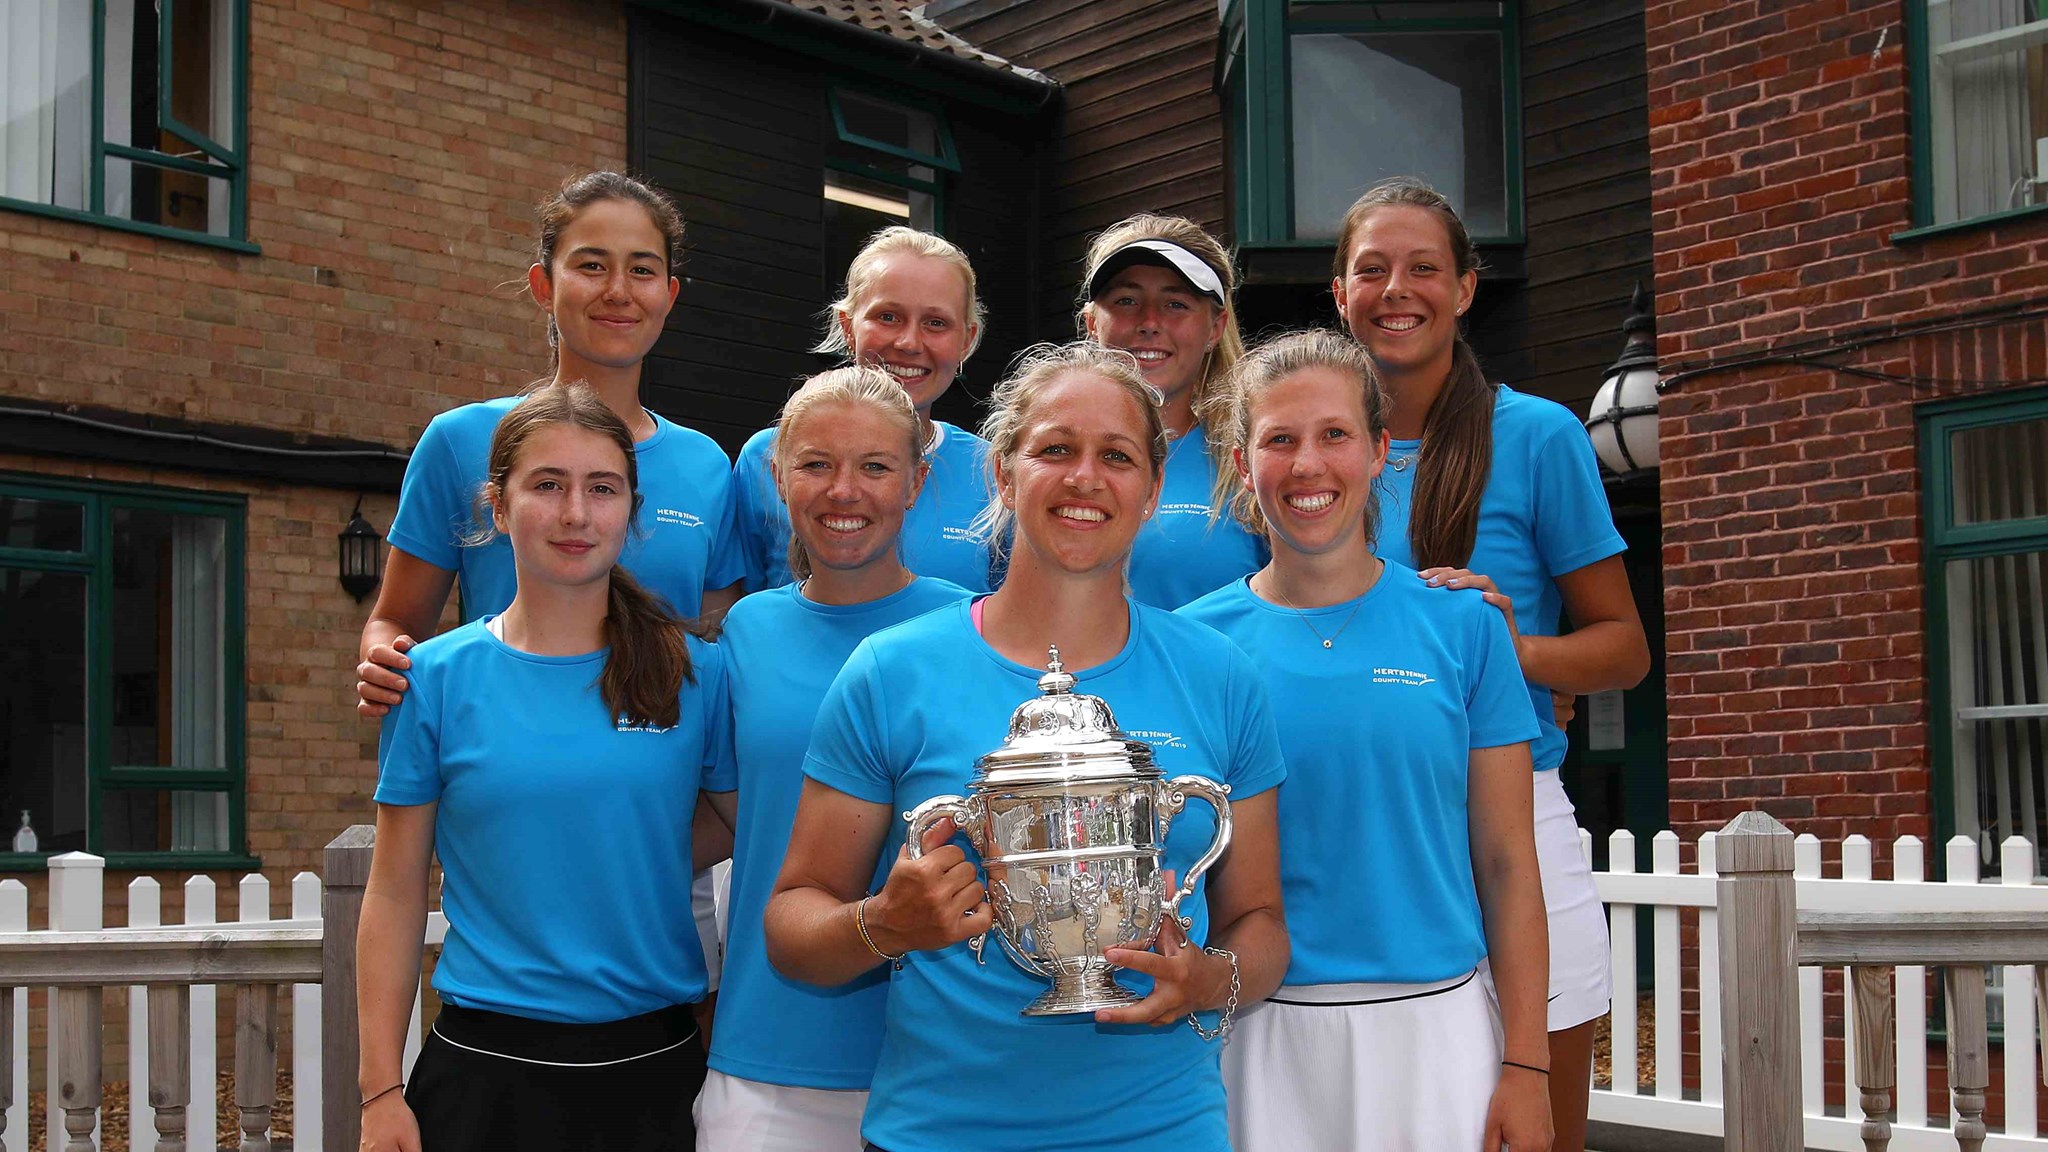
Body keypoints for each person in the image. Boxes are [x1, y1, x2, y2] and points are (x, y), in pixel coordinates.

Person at [763, 342, 1289, 1152]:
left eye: (1117, 456)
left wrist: (1210, 978)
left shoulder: (1220, 676)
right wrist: (884, 924)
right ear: (1003, 474)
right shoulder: (892, 671)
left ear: (1152, 489)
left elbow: (1262, 923)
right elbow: (792, 925)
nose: (1085, 478)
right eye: (1055, 449)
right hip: (939, 1134)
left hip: (1164, 1131)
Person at [1331, 177, 1652, 1152]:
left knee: (1533, 1124)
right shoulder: (1311, 452)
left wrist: (1510, 656)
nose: (1397, 289)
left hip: (1512, 812)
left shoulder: (1539, 435)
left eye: (1423, 267)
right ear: (1338, 293)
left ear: (1466, 287)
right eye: (1372, 269)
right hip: (1356, 817)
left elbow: (1622, 648)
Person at [1183, 329, 1550, 1152]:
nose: (1308, 465)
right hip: (1255, 1037)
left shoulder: (1463, 627)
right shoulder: (1192, 645)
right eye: (1280, 439)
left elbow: (1506, 862)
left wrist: (1527, 1065)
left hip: (1438, 1035)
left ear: (1381, 450)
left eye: (1335, 435)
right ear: (1243, 464)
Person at [357, 383, 736, 1152]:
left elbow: (739, 824)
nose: (576, 514)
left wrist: (613, 848)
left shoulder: (695, 674)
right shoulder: (431, 679)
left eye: (602, 489)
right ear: (497, 507)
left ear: (632, 512)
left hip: (652, 1072)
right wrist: (379, 1090)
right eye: (548, 485)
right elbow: (394, 891)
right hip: (481, 1073)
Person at [699, 366, 972, 1150]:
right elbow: (729, 818)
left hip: (946, 1060)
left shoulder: (973, 629)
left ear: (916, 483)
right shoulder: (746, 632)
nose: (843, 491)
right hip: (771, 1055)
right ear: (778, 477)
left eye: (875, 466)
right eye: (816, 464)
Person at [357, 170, 745, 720]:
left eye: (641, 270)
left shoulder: (706, 465)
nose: (618, 291)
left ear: (668, 295)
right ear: (544, 286)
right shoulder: (460, 441)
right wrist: (384, 662)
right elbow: (394, 622)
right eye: (591, 266)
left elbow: (714, 648)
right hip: (503, 753)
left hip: (660, 763)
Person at [733, 227, 994, 594]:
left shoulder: (993, 473)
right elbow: (739, 608)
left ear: (966, 340)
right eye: (888, 317)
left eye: (936, 323)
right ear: (848, 327)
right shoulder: (764, 457)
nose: (908, 342)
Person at [1078, 214, 1265, 608]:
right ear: (1093, 322)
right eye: (1126, 301)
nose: (1149, 322)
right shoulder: (1038, 459)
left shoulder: (1252, 465)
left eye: (1175, 304)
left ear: (1215, 327)